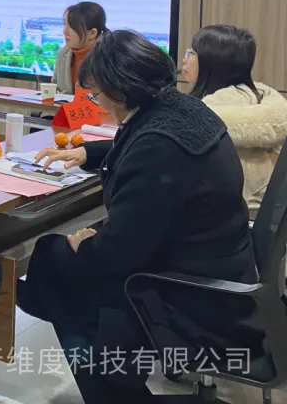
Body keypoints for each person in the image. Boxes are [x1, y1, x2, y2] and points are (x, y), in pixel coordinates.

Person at [20, 30, 257, 404]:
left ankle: (113, 387)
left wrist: (88, 244)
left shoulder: (158, 145)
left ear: (120, 91)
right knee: (57, 265)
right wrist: (89, 153)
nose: (97, 103)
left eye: (97, 94)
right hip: (222, 269)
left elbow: (119, 251)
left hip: (191, 294)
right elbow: (140, 144)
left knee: (57, 263)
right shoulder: (184, 110)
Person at [182, 25, 287, 217]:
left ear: (213, 62)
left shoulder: (206, 120)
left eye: (191, 53)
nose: (184, 59)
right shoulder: (254, 99)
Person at [55, 1, 107, 93]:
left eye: (72, 26)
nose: (65, 31)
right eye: (64, 24)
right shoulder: (63, 54)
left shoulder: (109, 58)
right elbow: (55, 87)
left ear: (92, 33)